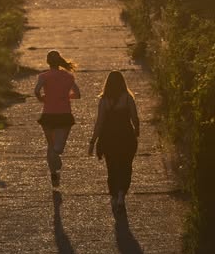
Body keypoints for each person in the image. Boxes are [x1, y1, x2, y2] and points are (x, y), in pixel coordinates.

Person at [88, 71, 140, 213]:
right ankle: (122, 193)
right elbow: (135, 117)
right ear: (123, 82)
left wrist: (93, 141)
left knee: (111, 167)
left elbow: (99, 122)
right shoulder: (128, 98)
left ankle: (114, 194)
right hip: (126, 136)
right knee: (126, 165)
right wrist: (137, 129)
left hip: (108, 138)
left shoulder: (104, 100)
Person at [35, 50, 81, 187]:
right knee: (58, 148)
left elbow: (36, 91)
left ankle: (54, 173)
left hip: (48, 115)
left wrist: (42, 99)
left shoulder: (43, 76)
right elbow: (78, 94)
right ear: (60, 61)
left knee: (51, 145)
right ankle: (56, 166)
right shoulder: (68, 76)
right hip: (64, 115)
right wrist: (67, 97)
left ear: (47, 62)